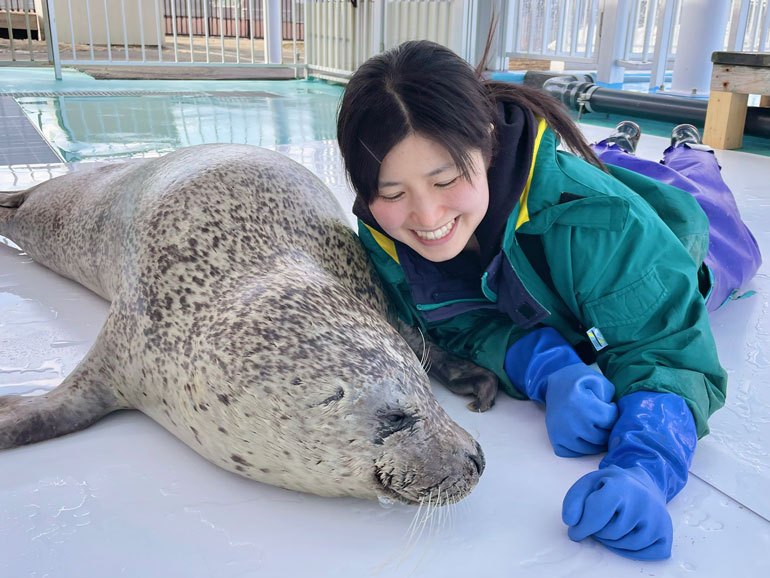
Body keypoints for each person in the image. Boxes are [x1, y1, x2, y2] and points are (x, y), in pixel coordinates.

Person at [336, 40, 761, 560]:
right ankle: (619, 148)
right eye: (394, 192)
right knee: (601, 164)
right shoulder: (383, 232)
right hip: (562, 213)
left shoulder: (606, 222)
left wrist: (646, 469)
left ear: (488, 144)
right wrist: (542, 363)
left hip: (681, 241)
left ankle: (691, 150)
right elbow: (446, 322)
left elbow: (665, 349)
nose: (425, 217)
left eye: (445, 179)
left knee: (702, 204)